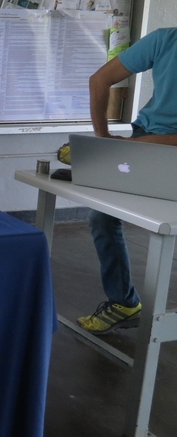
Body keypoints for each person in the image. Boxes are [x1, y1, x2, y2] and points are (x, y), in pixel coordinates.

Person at [77, 27, 177, 335]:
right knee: (102, 215)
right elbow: (99, 80)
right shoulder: (165, 40)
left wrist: (120, 147)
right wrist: (102, 139)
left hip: (148, 145)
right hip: (144, 139)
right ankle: (123, 302)